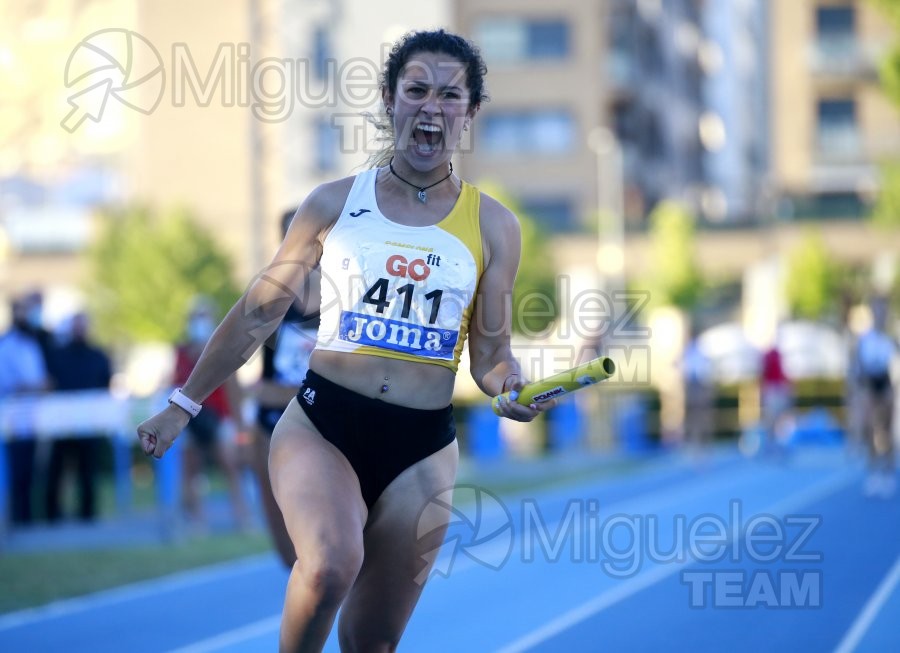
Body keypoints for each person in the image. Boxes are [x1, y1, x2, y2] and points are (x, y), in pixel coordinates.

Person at [138, 29, 557, 652]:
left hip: (421, 449)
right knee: (330, 564)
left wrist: (511, 389)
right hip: (323, 424)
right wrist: (184, 403)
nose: (431, 108)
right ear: (390, 101)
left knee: (372, 643)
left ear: (469, 115)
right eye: (416, 90)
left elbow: (491, 355)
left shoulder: (495, 225)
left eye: (449, 96)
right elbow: (257, 312)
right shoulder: (333, 204)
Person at [251, 208, 322, 568]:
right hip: (270, 422)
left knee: (324, 543)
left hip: (322, 421)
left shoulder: (347, 292)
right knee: (286, 552)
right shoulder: (269, 293)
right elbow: (234, 355)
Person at [173, 296, 250, 530]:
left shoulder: (223, 347)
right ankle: (197, 520)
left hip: (220, 416)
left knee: (231, 467)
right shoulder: (183, 352)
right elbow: (176, 384)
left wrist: (240, 427)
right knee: (191, 469)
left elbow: (233, 389)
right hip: (192, 418)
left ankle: (242, 517)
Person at [43, 312, 113, 522]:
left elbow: (105, 386)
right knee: (56, 468)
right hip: (61, 422)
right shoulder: (58, 354)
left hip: (89, 422)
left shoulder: (98, 356)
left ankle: (87, 512)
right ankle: (52, 513)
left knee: (88, 468)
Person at [0, 294, 50, 525]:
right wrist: (35, 387)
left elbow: (39, 379)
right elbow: (9, 384)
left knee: (31, 471)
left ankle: (27, 517)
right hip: (12, 419)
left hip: (32, 418)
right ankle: (16, 519)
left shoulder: (31, 343)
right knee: (15, 471)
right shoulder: (6, 345)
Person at [855, 296, 897, 498]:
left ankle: (888, 473)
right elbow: (860, 369)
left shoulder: (889, 339)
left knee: (887, 431)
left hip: (886, 387)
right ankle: (873, 474)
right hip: (871, 389)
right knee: (871, 430)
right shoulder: (866, 340)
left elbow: (893, 366)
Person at [759, 329, 792, 455]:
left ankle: (779, 444)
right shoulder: (768, 355)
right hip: (772, 389)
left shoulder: (779, 355)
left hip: (778, 389)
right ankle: (770, 444)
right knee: (771, 419)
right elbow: (763, 374)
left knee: (780, 418)